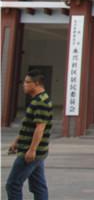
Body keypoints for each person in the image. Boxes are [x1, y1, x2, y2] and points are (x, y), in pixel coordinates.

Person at [5, 70, 53, 200]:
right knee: (38, 186)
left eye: (27, 82)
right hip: (37, 151)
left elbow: (40, 128)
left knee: (13, 185)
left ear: (36, 83)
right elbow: (28, 126)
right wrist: (17, 142)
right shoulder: (38, 100)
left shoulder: (41, 102)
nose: (24, 85)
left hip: (30, 152)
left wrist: (32, 150)